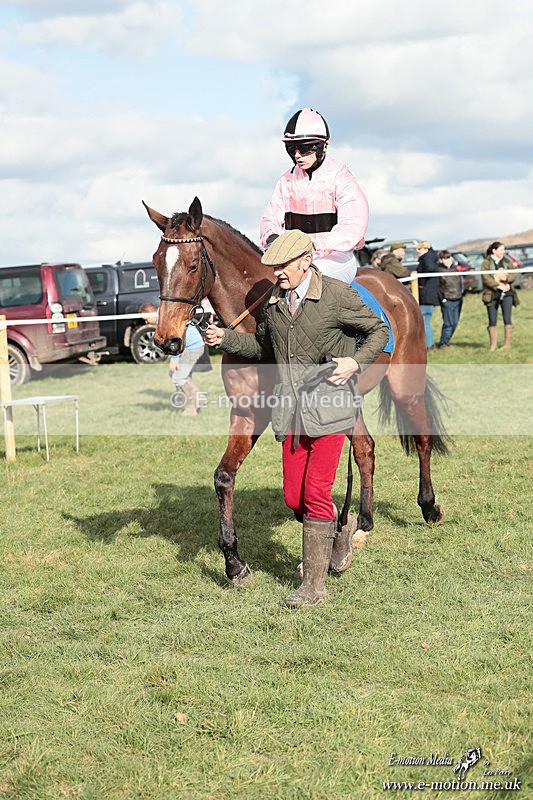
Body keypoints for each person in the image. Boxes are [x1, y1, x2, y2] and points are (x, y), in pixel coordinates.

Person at [204, 230, 389, 608]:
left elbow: (378, 330)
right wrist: (223, 338)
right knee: (294, 497)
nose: (276, 273)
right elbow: (262, 347)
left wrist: (355, 361)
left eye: (283, 266)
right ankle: (339, 531)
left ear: (306, 261)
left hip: (330, 408)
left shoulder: (336, 295)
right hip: (290, 412)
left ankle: (313, 586)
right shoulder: (273, 302)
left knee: (317, 492)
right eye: (273, 266)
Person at [260, 108, 369, 284]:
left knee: (309, 277)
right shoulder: (286, 180)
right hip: (294, 260)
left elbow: (353, 225)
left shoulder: (340, 176)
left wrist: (313, 246)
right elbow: (269, 219)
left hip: (335, 258)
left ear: (322, 146)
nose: (297, 155)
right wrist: (272, 238)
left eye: (303, 149)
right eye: (291, 149)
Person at [481, 241, 518, 351]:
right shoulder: (486, 263)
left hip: (507, 294)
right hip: (492, 294)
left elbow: (514, 274)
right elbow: (485, 278)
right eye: (501, 250)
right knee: (492, 319)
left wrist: (506, 280)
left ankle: (507, 344)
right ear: (494, 251)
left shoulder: (507, 261)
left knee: (507, 318)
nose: (503, 252)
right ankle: (493, 345)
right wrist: (497, 285)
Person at [416, 240, 441, 351]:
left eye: (419, 249)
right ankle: (429, 344)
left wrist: (422, 282)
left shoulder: (427, 259)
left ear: (425, 249)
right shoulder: (431, 258)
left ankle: (429, 345)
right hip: (430, 294)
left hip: (427, 295)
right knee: (425, 320)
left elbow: (430, 269)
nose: (418, 251)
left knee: (424, 321)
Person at [437, 250, 463, 348]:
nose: (447, 260)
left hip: (458, 299)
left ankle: (446, 340)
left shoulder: (455, 269)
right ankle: (443, 343)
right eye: (445, 258)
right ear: (441, 260)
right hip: (447, 300)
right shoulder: (439, 271)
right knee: (448, 323)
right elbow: (438, 287)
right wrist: (443, 299)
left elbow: (460, 283)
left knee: (455, 323)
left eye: (448, 258)